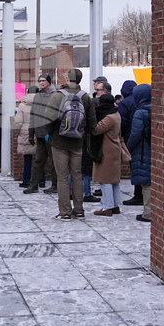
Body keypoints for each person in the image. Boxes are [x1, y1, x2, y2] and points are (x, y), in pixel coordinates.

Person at [45, 68, 97, 221]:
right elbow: (92, 122)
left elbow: (48, 119)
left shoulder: (57, 96)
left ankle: (65, 212)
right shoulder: (86, 97)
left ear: (67, 79)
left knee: (62, 177)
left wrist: (51, 133)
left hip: (59, 141)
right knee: (77, 175)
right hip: (77, 142)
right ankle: (79, 210)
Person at [91, 93, 127, 216]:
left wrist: (91, 120)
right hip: (114, 149)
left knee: (104, 180)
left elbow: (96, 130)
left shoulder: (109, 117)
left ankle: (107, 207)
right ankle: (115, 205)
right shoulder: (116, 114)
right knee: (114, 180)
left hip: (106, 150)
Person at [24, 74, 57, 194]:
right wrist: (31, 132)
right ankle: (33, 185)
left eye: (43, 80)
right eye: (40, 81)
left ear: (49, 82)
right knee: (38, 161)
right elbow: (33, 114)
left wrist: (51, 132)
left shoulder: (54, 96)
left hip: (50, 134)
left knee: (54, 162)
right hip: (39, 133)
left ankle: (55, 185)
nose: (41, 83)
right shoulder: (38, 96)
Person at [126, 83, 152, 223]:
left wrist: (128, 147)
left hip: (142, 151)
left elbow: (135, 133)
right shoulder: (154, 109)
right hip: (153, 149)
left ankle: (148, 213)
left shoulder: (140, 112)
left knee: (146, 183)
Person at [118, 80, 143, 206]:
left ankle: (138, 195)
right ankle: (143, 193)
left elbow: (121, 122)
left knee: (134, 167)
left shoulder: (125, 103)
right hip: (145, 139)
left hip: (130, 138)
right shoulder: (141, 101)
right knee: (143, 166)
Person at [12, 90, 36, 188]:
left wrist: (16, 132)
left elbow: (18, 122)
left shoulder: (22, 105)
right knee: (39, 159)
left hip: (25, 132)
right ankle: (41, 180)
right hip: (37, 131)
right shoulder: (40, 104)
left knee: (27, 158)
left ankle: (26, 180)